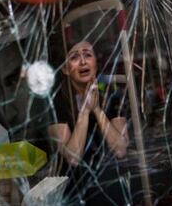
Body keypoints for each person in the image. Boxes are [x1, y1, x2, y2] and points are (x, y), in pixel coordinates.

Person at [48, 40, 130, 205]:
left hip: (112, 188)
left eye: (87, 55)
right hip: (75, 195)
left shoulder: (111, 94)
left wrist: (97, 110)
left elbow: (120, 149)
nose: (83, 61)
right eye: (74, 57)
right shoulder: (56, 102)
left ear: (95, 63)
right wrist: (85, 111)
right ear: (65, 69)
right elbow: (73, 158)